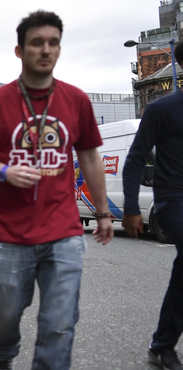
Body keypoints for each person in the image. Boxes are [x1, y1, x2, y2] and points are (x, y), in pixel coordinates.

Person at [0, 11, 114, 370]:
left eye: (53, 43)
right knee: (5, 314)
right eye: (36, 43)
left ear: (59, 49)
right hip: (9, 234)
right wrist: (3, 170)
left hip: (62, 229)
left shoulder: (76, 100)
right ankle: (2, 355)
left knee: (60, 325)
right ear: (20, 50)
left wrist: (104, 212)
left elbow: (90, 156)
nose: (45, 50)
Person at [122, 40, 183, 370]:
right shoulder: (162, 110)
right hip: (174, 199)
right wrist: (131, 207)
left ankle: (162, 344)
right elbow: (133, 160)